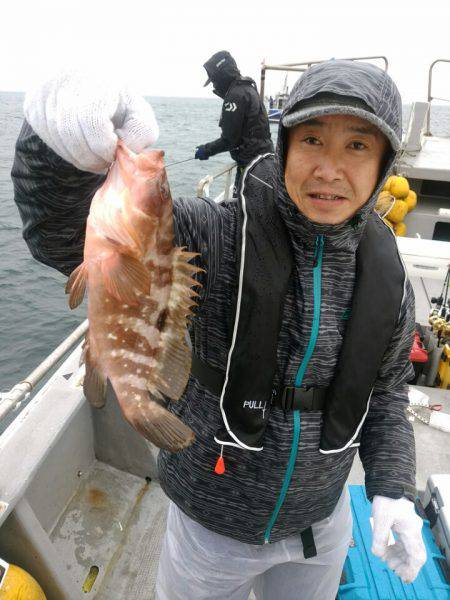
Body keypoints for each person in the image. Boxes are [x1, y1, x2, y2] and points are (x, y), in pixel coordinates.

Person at [12, 60, 427, 600]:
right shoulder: (216, 232)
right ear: (284, 148)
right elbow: (62, 237)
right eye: (311, 140)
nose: (329, 169)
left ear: (383, 163)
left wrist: (391, 489)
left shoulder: (387, 276)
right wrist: (51, 149)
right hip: (210, 528)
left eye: (356, 146)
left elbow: (389, 391)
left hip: (319, 529)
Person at [195, 50, 273, 194]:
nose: (213, 85)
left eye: (213, 80)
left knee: (245, 209)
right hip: (264, 162)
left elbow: (230, 140)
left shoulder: (235, 96)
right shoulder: (247, 88)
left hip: (252, 167)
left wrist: (205, 150)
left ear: (221, 76)